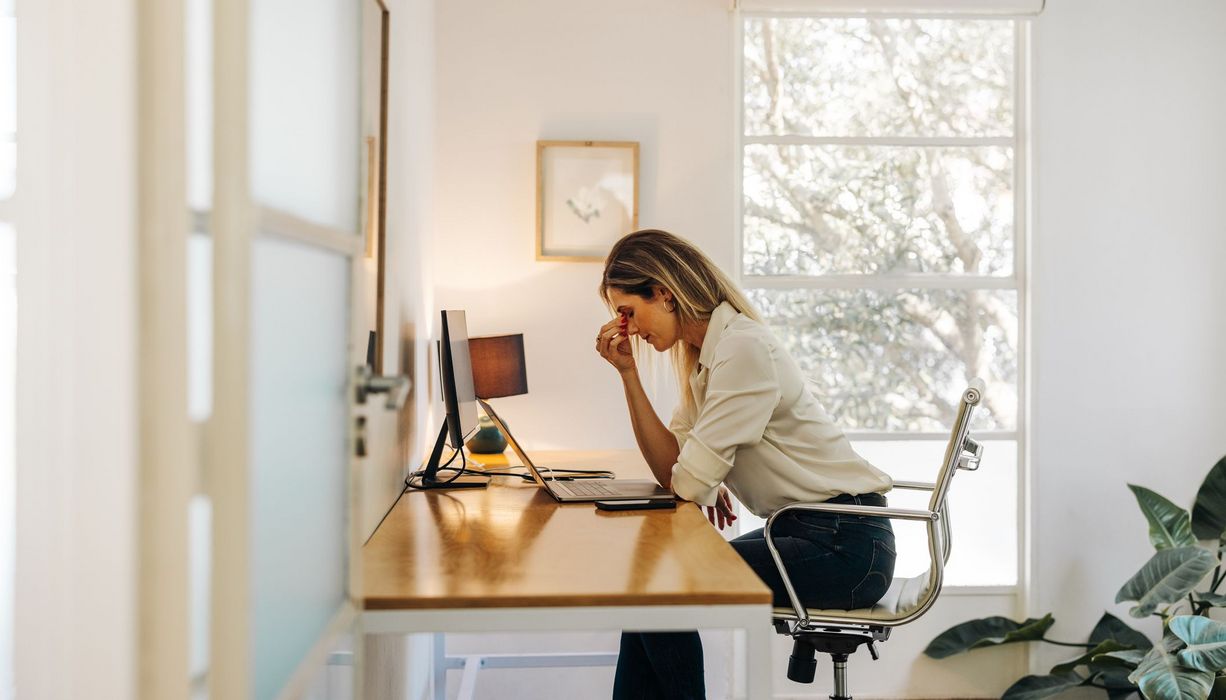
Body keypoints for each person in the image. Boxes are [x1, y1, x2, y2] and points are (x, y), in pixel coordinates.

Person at [594, 229, 897, 699]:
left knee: (660, 591)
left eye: (628, 312)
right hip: (809, 530)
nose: (626, 328)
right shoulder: (707, 358)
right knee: (650, 592)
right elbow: (674, 467)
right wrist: (628, 375)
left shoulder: (742, 348)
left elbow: (688, 484)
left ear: (664, 293)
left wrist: (700, 479)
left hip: (847, 546)